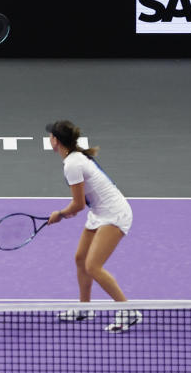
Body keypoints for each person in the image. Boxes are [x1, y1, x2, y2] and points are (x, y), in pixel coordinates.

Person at [45, 120, 142, 333]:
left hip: (114, 214)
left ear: (56, 141)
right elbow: (81, 204)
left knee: (93, 266)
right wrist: (64, 213)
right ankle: (85, 308)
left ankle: (129, 310)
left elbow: (78, 205)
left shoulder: (73, 163)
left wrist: (59, 214)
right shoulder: (74, 158)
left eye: (50, 136)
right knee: (80, 259)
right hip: (99, 212)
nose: (49, 139)